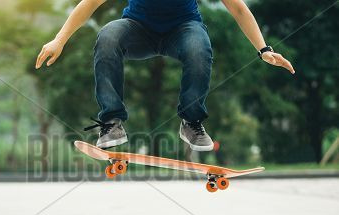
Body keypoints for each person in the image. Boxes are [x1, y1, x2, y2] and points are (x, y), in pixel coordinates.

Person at [36, 0, 295, 150]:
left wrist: (263, 49)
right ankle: (112, 123)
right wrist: (59, 40)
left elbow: (238, 9)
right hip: (138, 29)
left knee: (199, 48)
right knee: (108, 36)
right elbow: (90, 3)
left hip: (183, 30)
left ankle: (191, 122)